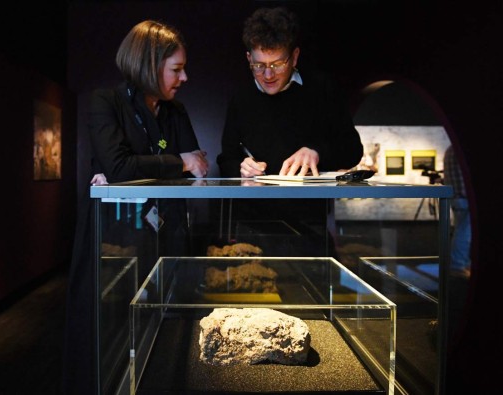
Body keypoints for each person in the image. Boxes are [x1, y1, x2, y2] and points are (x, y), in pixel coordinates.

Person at [63, 20, 208, 395]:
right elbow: (120, 167)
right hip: (114, 245)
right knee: (109, 338)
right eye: (176, 69)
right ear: (148, 64)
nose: (185, 77)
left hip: (165, 241)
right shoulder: (104, 102)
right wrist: (177, 161)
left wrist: (166, 163)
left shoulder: (175, 112)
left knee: (167, 339)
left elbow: (198, 166)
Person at [216, 7, 363, 243]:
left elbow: (353, 149)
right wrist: (242, 168)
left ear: (294, 57)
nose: (267, 75)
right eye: (258, 65)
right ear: (248, 59)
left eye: (277, 64)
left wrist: (316, 152)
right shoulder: (241, 98)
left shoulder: (321, 89)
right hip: (253, 226)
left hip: (309, 224)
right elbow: (226, 160)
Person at [443, 145, 471, 279]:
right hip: (464, 197)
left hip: (457, 197)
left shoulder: (451, 150)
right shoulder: (458, 150)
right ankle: (457, 265)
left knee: (462, 231)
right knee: (464, 232)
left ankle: (462, 263)